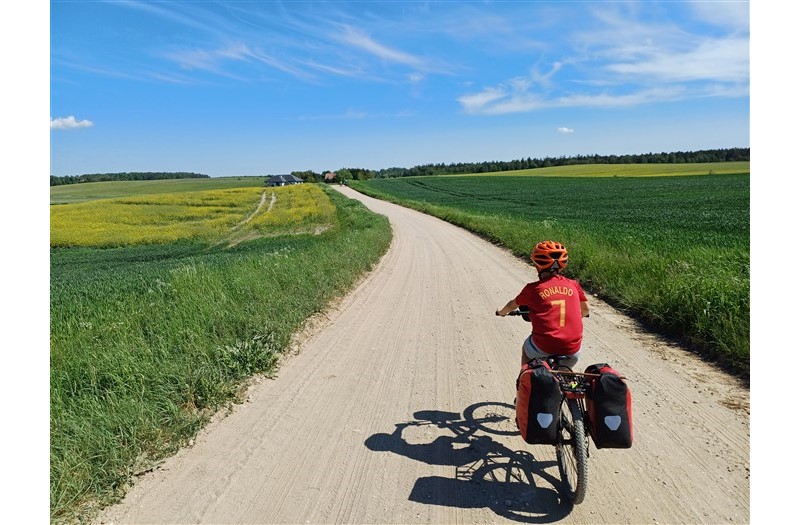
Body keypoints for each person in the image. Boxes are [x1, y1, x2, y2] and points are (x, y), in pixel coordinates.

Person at [496, 240, 590, 368]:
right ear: (562, 265)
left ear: (536, 265)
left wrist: (501, 313)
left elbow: (512, 305)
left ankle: (524, 378)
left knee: (526, 347)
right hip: (572, 351)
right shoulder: (573, 284)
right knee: (565, 372)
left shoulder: (533, 289)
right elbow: (585, 310)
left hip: (542, 348)